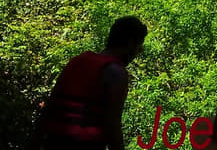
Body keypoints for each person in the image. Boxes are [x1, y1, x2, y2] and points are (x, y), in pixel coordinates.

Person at [37, 16, 148, 150]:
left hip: (54, 142)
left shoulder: (76, 62)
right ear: (130, 43)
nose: (139, 51)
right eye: (139, 46)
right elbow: (112, 126)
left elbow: (49, 109)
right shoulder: (116, 72)